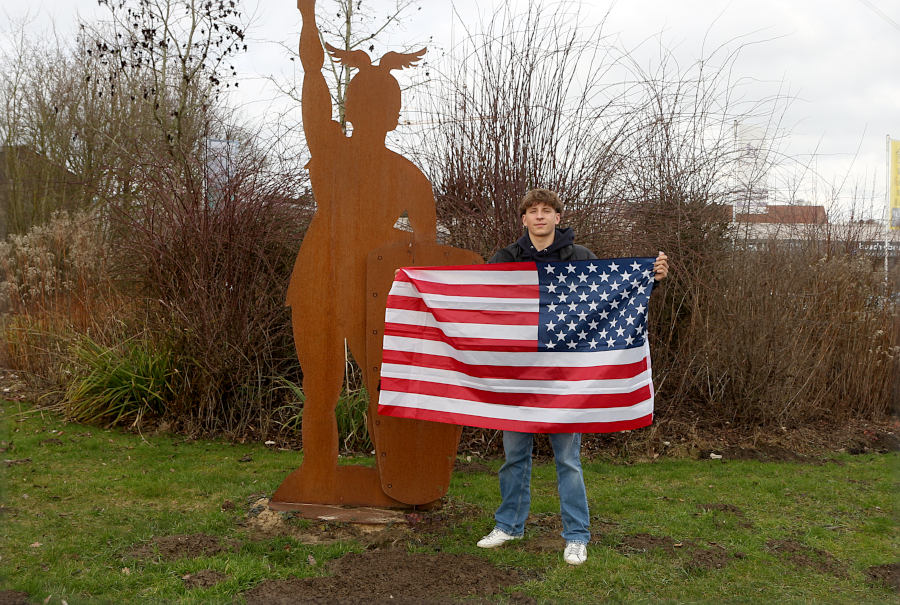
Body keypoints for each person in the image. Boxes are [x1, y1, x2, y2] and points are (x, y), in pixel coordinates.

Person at [476, 188, 669, 566]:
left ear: (558, 218)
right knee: (514, 457)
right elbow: (484, 302)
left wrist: (652, 278)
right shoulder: (505, 259)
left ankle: (576, 535)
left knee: (568, 460)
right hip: (518, 379)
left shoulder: (582, 259)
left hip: (566, 380)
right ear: (524, 219)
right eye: (533, 211)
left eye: (547, 211)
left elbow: (614, 296)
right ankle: (509, 525)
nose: (540, 217)